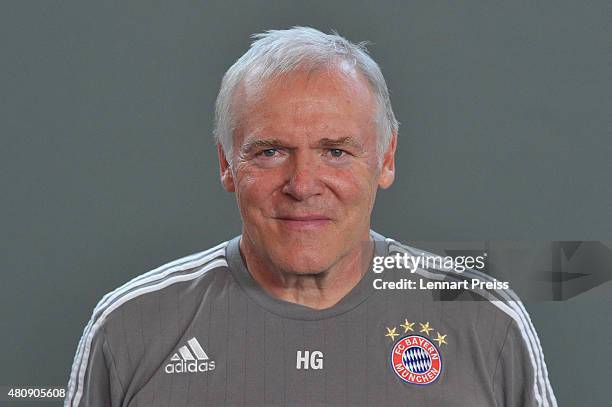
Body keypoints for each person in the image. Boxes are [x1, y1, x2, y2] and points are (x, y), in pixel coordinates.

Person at [65, 26, 557, 406]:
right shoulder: (131, 328)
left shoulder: (484, 320)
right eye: (271, 152)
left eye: (336, 152)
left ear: (386, 159)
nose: (302, 185)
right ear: (226, 164)